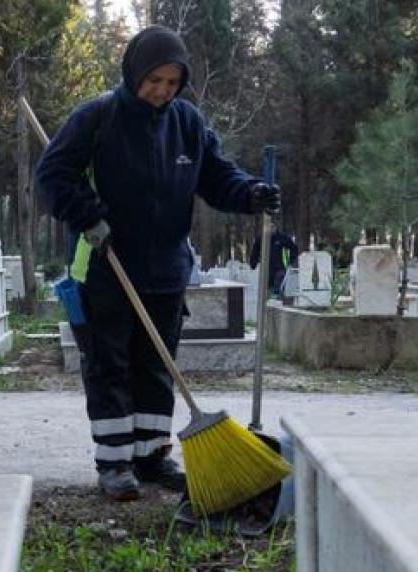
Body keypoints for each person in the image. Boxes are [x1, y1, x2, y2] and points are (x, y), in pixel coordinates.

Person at [35, 26, 280, 502]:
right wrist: (88, 215)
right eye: (154, 80)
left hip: (165, 269)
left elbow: (216, 176)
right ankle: (114, 462)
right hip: (106, 266)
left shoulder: (187, 122)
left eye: (171, 82)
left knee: (154, 368)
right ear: (134, 72)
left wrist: (250, 192)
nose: (161, 91)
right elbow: (52, 175)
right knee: (109, 365)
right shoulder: (97, 117)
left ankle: (151, 456)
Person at [249, 230, 299, 298]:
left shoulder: (282, 237)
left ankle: (278, 301)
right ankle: (270, 303)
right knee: (269, 290)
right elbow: (255, 252)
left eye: (272, 226)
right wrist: (253, 264)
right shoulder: (261, 238)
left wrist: (291, 261)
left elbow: (294, 248)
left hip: (280, 268)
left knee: (278, 288)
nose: (271, 228)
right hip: (266, 270)